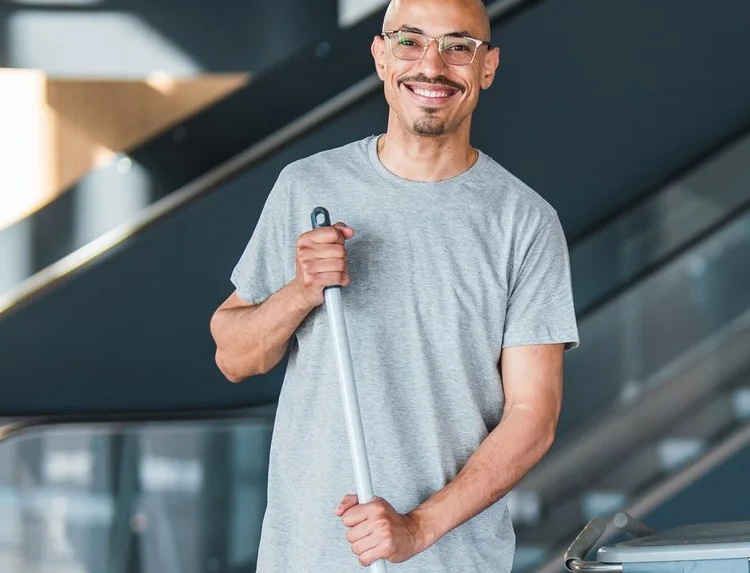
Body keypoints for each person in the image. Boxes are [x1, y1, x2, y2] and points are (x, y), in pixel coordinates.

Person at [207, 0, 575, 569]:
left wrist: (417, 528)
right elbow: (233, 356)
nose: (433, 65)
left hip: (453, 561)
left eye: (459, 46)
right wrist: (301, 290)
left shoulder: (524, 221)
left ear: (487, 67)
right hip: (309, 558)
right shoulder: (306, 187)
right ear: (381, 57)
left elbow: (533, 416)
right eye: (410, 41)